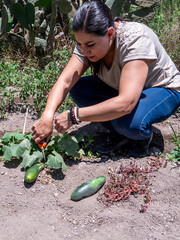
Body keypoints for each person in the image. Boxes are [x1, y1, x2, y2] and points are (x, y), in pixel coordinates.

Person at [32, 1, 180, 155]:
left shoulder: (135, 39)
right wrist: (47, 115)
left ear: (110, 33)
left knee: (129, 123)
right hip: (127, 89)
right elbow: (65, 81)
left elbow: (126, 104)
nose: (84, 51)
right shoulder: (88, 43)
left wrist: (74, 115)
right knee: (79, 89)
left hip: (163, 89)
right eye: (79, 44)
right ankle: (120, 132)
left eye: (90, 45)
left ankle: (142, 136)